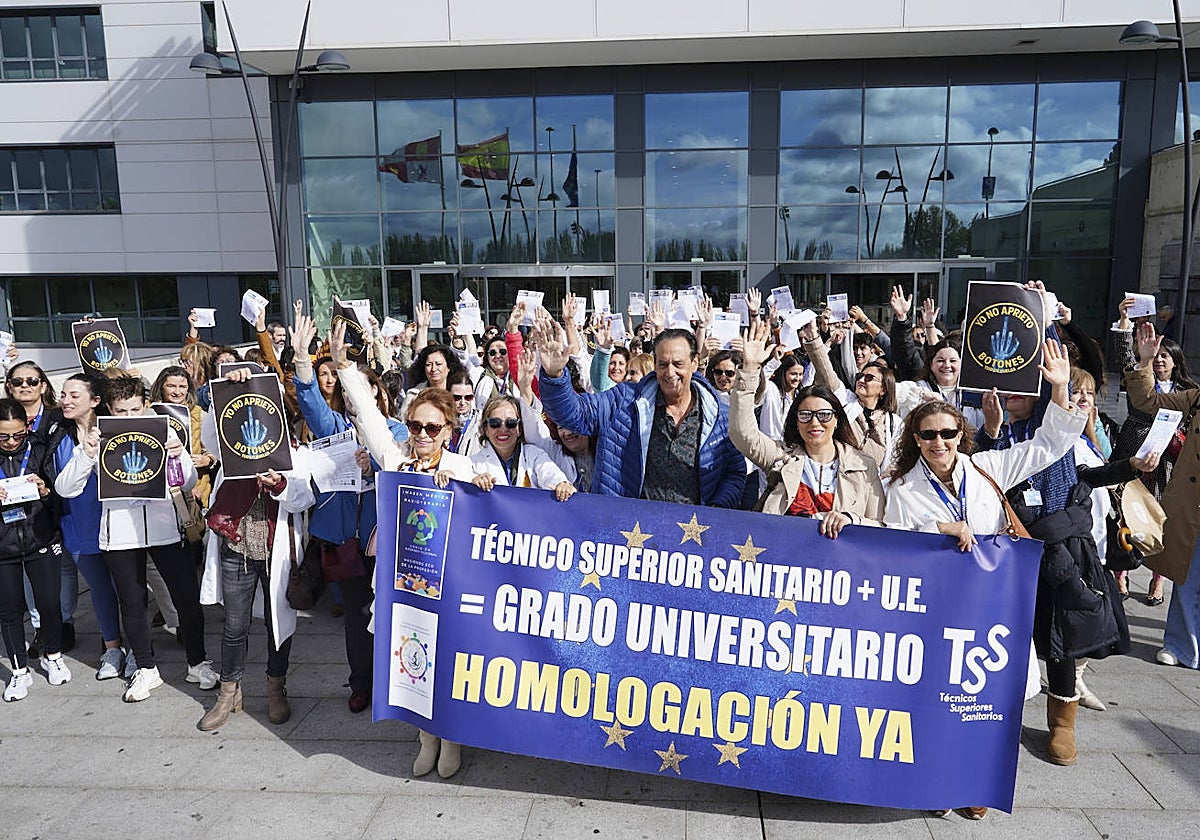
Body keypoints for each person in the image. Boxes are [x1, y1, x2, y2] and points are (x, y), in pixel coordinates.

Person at [332, 322, 473, 779]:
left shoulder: (462, 466)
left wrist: (479, 486)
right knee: (410, 663)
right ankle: (424, 737)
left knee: (446, 661)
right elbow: (371, 418)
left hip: (446, 588)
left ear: (448, 431)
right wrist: (346, 369)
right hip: (400, 583)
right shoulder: (396, 462)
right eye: (415, 425)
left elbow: (492, 515)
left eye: (432, 427)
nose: (422, 433)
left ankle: (450, 737)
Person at [54, 375, 213, 702]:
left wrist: (180, 455)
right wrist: (86, 454)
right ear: (109, 410)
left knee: (186, 596)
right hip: (121, 532)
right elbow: (64, 488)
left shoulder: (164, 429)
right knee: (133, 602)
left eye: (135, 410)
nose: (128, 418)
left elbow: (187, 482)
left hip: (165, 527)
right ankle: (146, 668)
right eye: (121, 412)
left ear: (145, 405)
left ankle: (198, 662)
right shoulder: (99, 438)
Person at [197, 369, 316, 731]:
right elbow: (206, 430)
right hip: (237, 544)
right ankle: (229, 691)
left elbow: (303, 498)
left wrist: (280, 484)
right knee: (234, 623)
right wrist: (228, 388)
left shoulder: (295, 451)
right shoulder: (229, 441)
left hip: (275, 546)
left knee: (277, 623)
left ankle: (275, 686)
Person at [534, 310, 745, 507]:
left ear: (694, 362)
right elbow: (574, 415)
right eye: (662, 364)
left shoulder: (721, 418)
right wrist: (554, 377)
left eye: (678, 364)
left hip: (693, 536)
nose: (670, 372)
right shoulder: (623, 401)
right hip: (632, 533)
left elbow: (734, 472)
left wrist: (717, 509)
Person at [291, 312, 375, 715]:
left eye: (370, 393)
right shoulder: (335, 427)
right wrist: (302, 362)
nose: (363, 401)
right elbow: (311, 405)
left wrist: (373, 467)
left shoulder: (397, 432)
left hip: (387, 541)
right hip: (348, 541)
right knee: (358, 618)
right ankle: (361, 683)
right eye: (355, 393)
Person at [729, 321, 884, 531]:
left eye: (824, 415)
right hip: (781, 557)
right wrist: (749, 369)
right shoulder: (781, 458)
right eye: (805, 415)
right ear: (795, 420)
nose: (814, 422)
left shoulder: (864, 466)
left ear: (837, 419)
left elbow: (881, 527)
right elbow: (742, 433)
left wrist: (852, 520)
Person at [1127, 323, 1200, 669]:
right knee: (1188, 577)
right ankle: (1180, 644)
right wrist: (1143, 363)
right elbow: (1147, 401)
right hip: (1193, 505)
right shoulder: (1195, 396)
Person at [43, 374, 125, 680]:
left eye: (74, 395)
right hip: (78, 525)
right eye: (63, 394)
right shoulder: (57, 435)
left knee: (128, 591)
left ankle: (140, 652)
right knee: (101, 592)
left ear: (95, 401)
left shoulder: (116, 431)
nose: (65, 400)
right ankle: (112, 649)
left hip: (118, 526)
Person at [0, 398, 70, 701]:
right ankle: (19, 671)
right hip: (3, 546)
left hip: (40, 538)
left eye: (18, 434)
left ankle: (52, 655)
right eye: (4, 436)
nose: (12, 442)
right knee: (9, 610)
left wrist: (45, 490)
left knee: (49, 603)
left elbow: (60, 494)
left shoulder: (39, 448)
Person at [469, 395, 575, 499]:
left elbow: (551, 475)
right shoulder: (474, 464)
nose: (503, 429)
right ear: (486, 429)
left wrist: (562, 485)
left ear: (519, 428)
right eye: (495, 423)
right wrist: (472, 484)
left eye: (510, 423)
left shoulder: (535, 455)